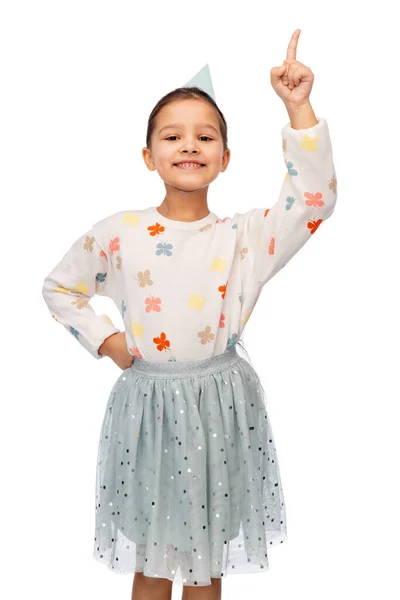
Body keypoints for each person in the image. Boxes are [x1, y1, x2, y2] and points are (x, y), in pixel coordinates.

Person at [42, 29, 337, 600]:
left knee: (206, 559)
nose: (189, 145)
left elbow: (316, 200)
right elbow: (60, 288)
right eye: (172, 136)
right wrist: (110, 342)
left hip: (220, 409)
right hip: (148, 410)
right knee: (152, 557)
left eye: (205, 137)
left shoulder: (244, 237)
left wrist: (297, 106)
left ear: (225, 159)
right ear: (149, 155)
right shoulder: (120, 233)